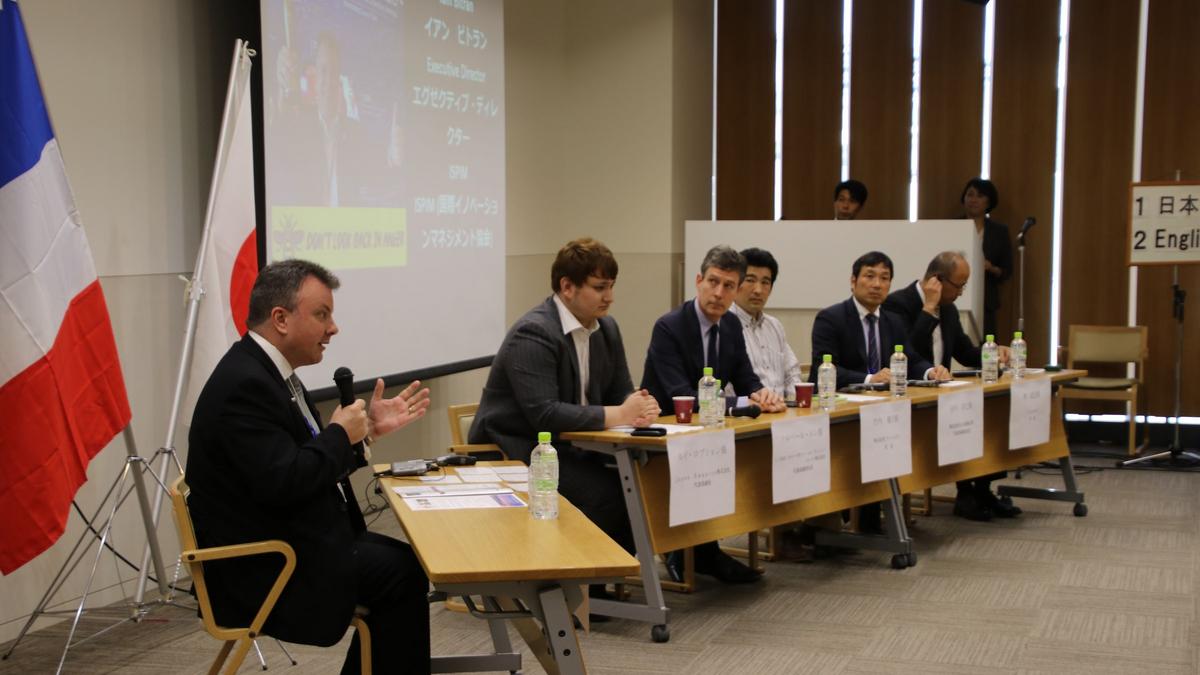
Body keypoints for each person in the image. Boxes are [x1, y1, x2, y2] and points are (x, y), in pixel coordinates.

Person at [186, 259, 433, 675]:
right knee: (401, 575)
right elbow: (285, 481)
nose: (333, 328)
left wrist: (365, 432)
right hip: (264, 567)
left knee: (412, 562)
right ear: (280, 319)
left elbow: (301, 464)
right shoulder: (245, 385)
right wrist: (339, 434)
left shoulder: (272, 373)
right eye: (322, 315)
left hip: (293, 538)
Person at [468, 238, 660, 562]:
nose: (610, 297)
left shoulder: (607, 329)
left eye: (612, 286)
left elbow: (620, 392)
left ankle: (609, 572)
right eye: (600, 288)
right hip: (519, 447)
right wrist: (620, 414)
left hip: (575, 444)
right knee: (607, 494)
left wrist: (639, 406)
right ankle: (584, 588)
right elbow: (544, 414)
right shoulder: (534, 332)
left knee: (643, 482)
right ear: (567, 286)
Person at [642, 245, 785, 584]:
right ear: (698, 281)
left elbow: (746, 377)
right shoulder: (670, 326)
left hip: (708, 429)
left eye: (728, 286)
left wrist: (762, 394)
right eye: (713, 282)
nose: (719, 293)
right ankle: (685, 551)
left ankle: (705, 552)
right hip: (664, 432)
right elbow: (682, 396)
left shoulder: (732, 326)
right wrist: (737, 404)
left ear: (736, 291)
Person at [809, 251, 948, 534]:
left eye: (884, 278)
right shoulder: (831, 318)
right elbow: (824, 370)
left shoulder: (892, 321)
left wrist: (930, 372)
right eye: (869, 276)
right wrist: (871, 377)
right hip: (842, 414)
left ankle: (872, 517)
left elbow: (909, 358)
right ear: (853, 281)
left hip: (882, 416)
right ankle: (857, 515)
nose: (877, 284)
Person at [883, 251, 1020, 521]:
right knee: (963, 416)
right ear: (938, 280)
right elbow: (907, 353)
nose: (961, 292)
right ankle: (966, 492)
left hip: (941, 394)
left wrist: (993, 352)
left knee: (987, 413)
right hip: (907, 394)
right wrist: (928, 309)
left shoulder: (949, 309)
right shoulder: (897, 304)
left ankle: (981, 489)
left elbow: (966, 353)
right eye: (959, 285)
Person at [733, 247, 844, 560]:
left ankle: (820, 526)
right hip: (748, 419)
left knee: (826, 434)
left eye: (766, 282)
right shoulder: (726, 325)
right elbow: (729, 385)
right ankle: (784, 533)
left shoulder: (774, 326)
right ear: (737, 282)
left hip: (780, 414)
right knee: (791, 443)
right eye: (750, 280)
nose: (758, 289)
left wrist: (803, 400)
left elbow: (793, 373)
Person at [962, 178, 1012, 337]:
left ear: (989, 202)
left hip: (986, 301)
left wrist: (991, 268)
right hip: (956, 296)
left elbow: (1006, 271)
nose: (973, 200)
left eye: (980, 196)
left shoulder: (1000, 231)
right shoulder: (952, 225)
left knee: (986, 349)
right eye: (970, 195)